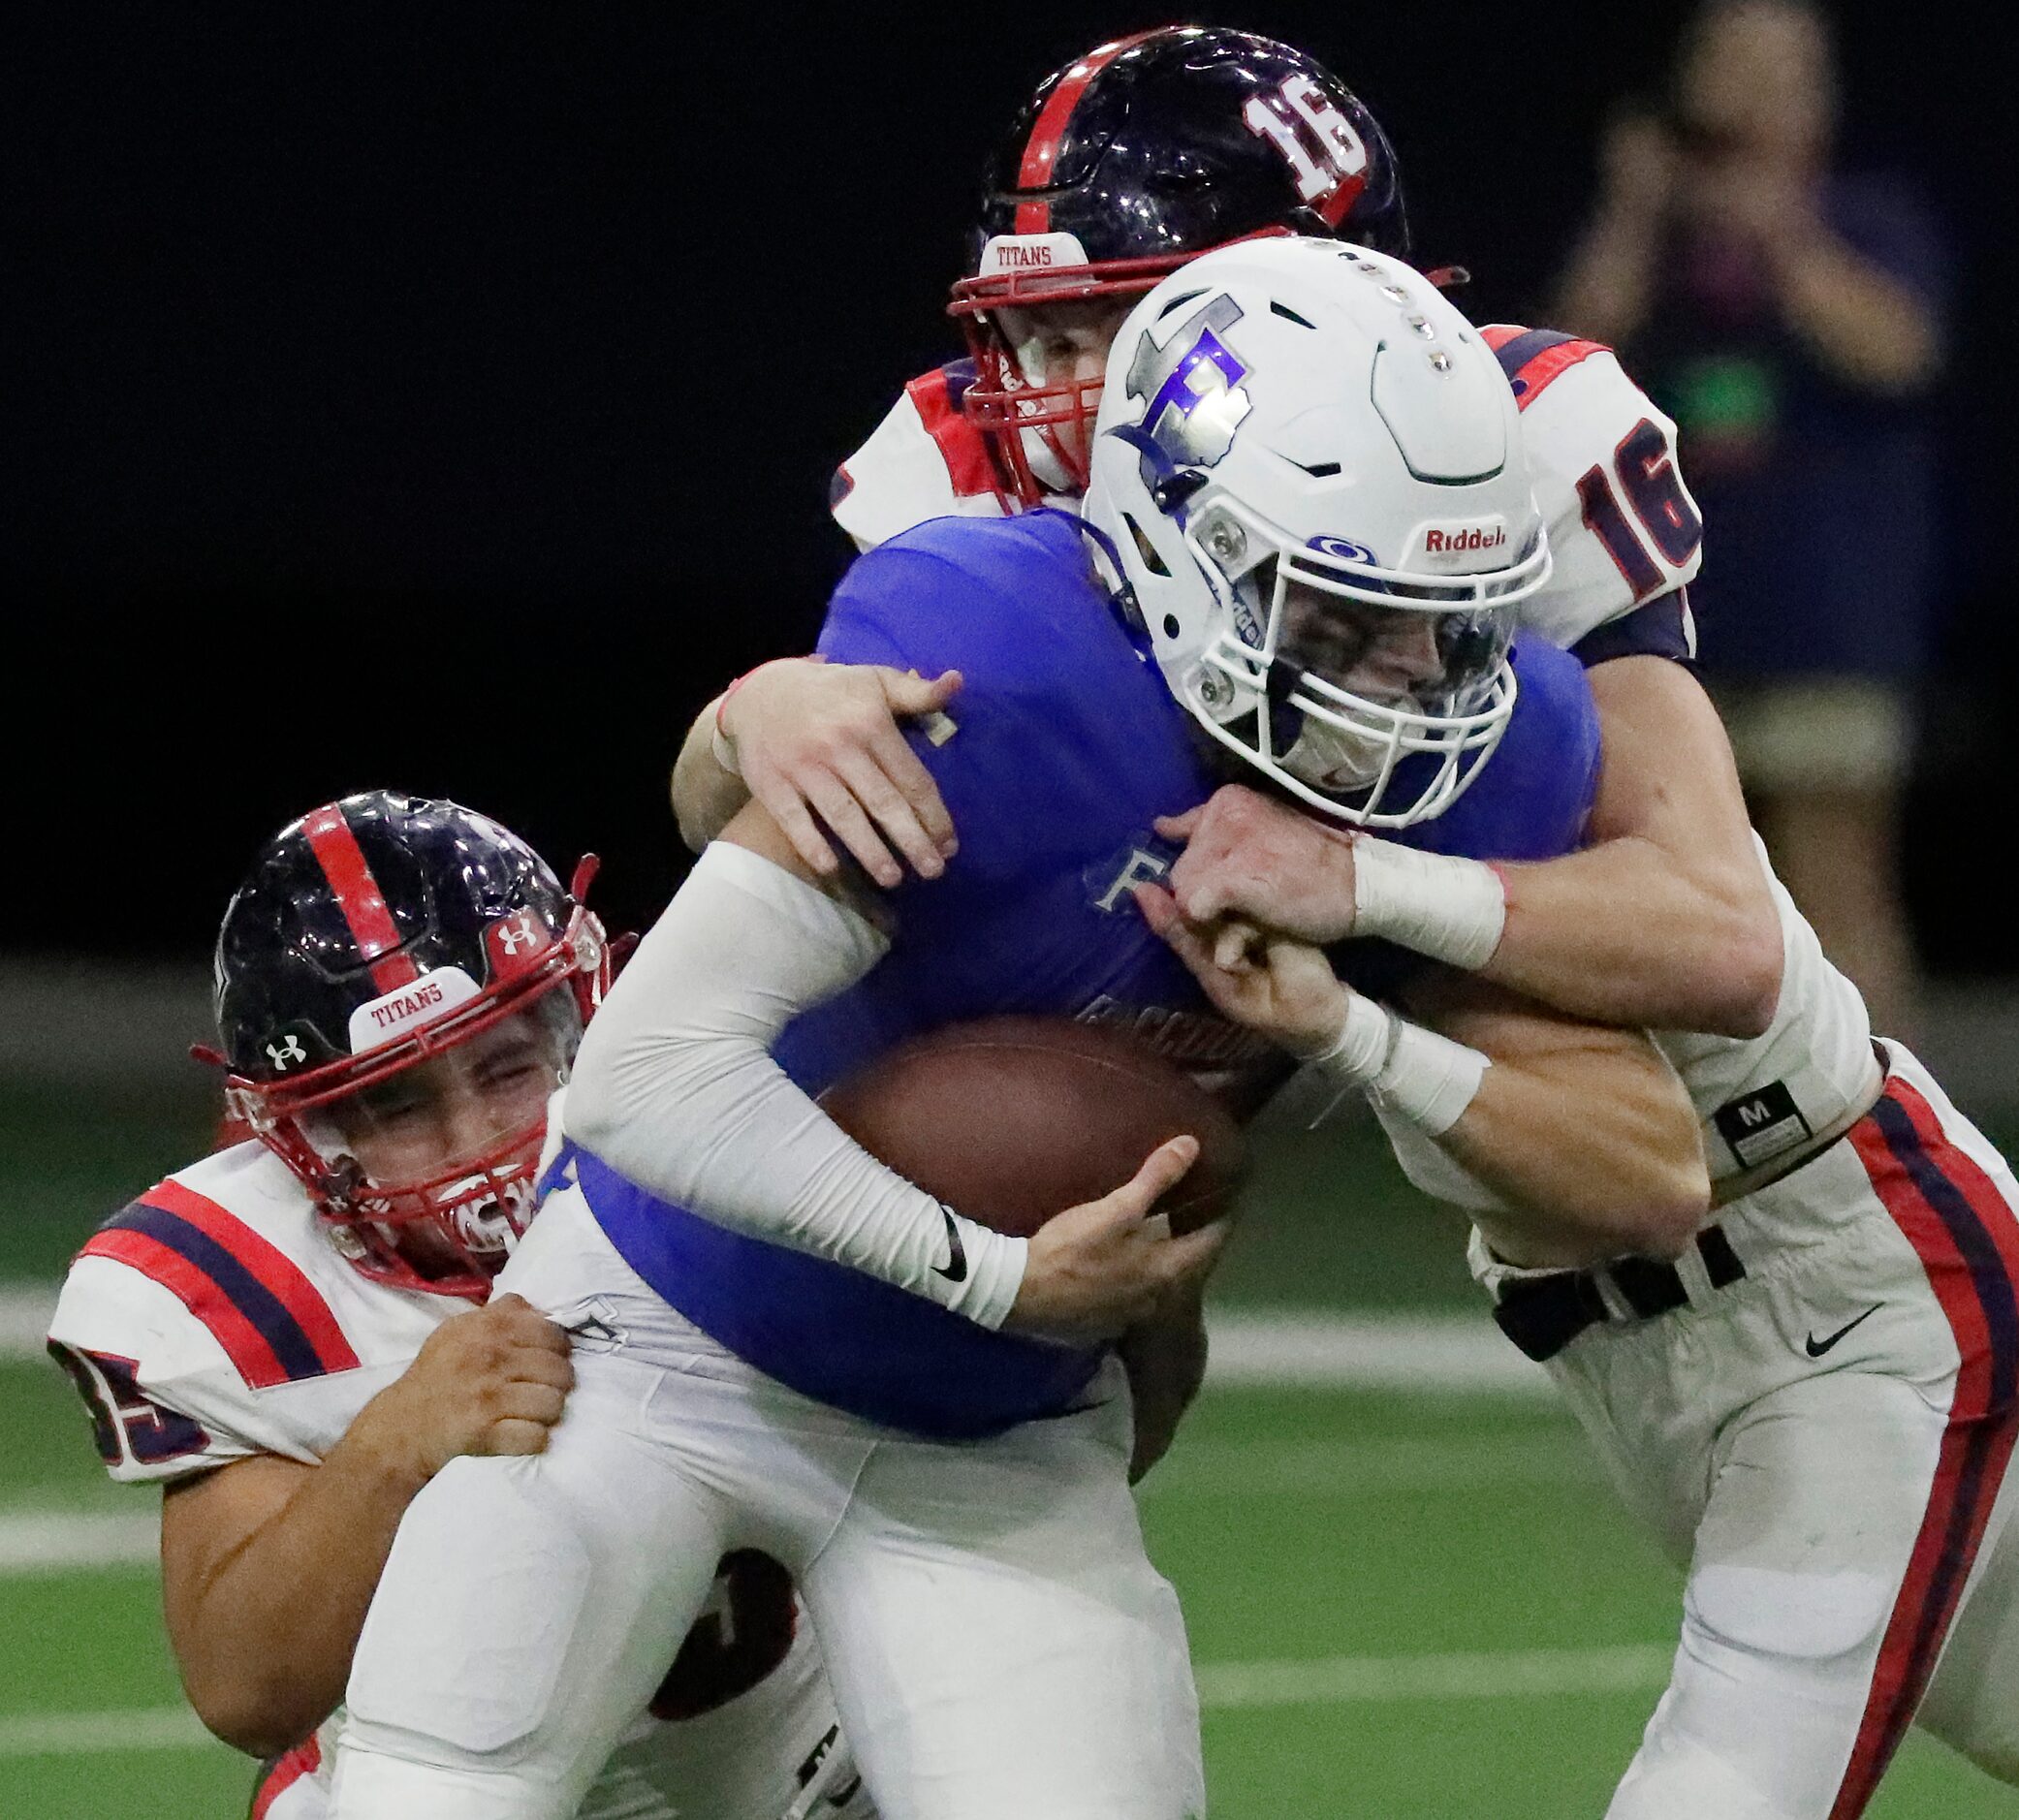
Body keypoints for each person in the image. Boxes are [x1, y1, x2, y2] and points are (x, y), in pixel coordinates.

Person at [328, 241, 1713, 1817]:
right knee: (436, 1784)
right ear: (1186, 547)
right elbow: (638, 1081)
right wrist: (995, 1269)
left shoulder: (1507, 746)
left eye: (1447, 626)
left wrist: (1347, 1001)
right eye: (1342, 620)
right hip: (660, 1330)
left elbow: (1646, 1171)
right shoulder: (994, 655)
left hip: (990, 1432)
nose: (1410, 685)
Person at [1104, 340, 2018, 1814]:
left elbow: (1710, 984)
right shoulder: (1132, 600)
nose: (1064, 371)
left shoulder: (1506, 569)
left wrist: (1360, 887)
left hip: (1850, 1281)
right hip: (1638, 1336)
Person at [672, 24, 1784, 1059]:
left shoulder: (1505, 447)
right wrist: (750, 721)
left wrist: (1360, 885)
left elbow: (1720, 940)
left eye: (1110, 333)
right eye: (1033, 336)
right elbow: (756, 829)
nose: (1056, 400)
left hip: (1741, 1144)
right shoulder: (959, 469)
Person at [45, 792, 872, 1820]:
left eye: (508, 1067)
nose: (476, 1139)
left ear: (588, 1011)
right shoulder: (233, 1280)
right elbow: (248, 1689)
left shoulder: (744, 1118)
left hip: (838, 1770)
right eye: (396, 1106)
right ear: (292, 1136)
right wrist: (395, 1443)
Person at [1553, 0, 1947, 1037]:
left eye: (1783, 69)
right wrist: (1634, 212)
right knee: (1670, 872)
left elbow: (1897, 354)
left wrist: (1779, 227)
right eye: (1735, 64)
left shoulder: (1868, 215)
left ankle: (1885, 1106)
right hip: (1673, 618)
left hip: (1830, 612)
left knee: (1839, 871)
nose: (1757, 90)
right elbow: (1567, 356)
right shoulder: (1654, 233)